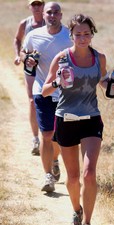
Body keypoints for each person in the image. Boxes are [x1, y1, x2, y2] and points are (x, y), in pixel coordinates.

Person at [42, 14, 114, 225]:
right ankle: (76, 210)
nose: (82, 37)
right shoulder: (61, 58)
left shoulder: (99, 57)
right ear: (71, 35)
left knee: (89, 174)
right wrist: (58, 82)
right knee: (73, 177)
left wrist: (113, 85)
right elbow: (46, 91)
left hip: (91, 119)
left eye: (86, 33)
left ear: (92, 34)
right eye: (78, 34)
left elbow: (103, 81)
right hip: (66, 120)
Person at [20, 2, 73, 192]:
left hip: (65, 93)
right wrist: (28, 58)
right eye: (49, 12)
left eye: (56, 12)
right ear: (43, 14)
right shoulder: (34, 35)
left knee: (58, 137)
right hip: (42, 89)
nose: (52, 15)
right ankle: (48, 176)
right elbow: (24, 52)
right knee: (47, 134)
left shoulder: (69, 35)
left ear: (61, 15)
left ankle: (55, 159)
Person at [13, 0, 46, 155]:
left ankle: (51, 136)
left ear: (44, 6)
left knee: (50, 99)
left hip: (47, 67)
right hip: (30, 66)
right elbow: (17, 40)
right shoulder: (24, 23)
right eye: (34, 4)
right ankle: (35, 139)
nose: (37, 7)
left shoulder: (50, 21)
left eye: (39, 4)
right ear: (29, 7)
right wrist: (18, 55)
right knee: (33, 100)